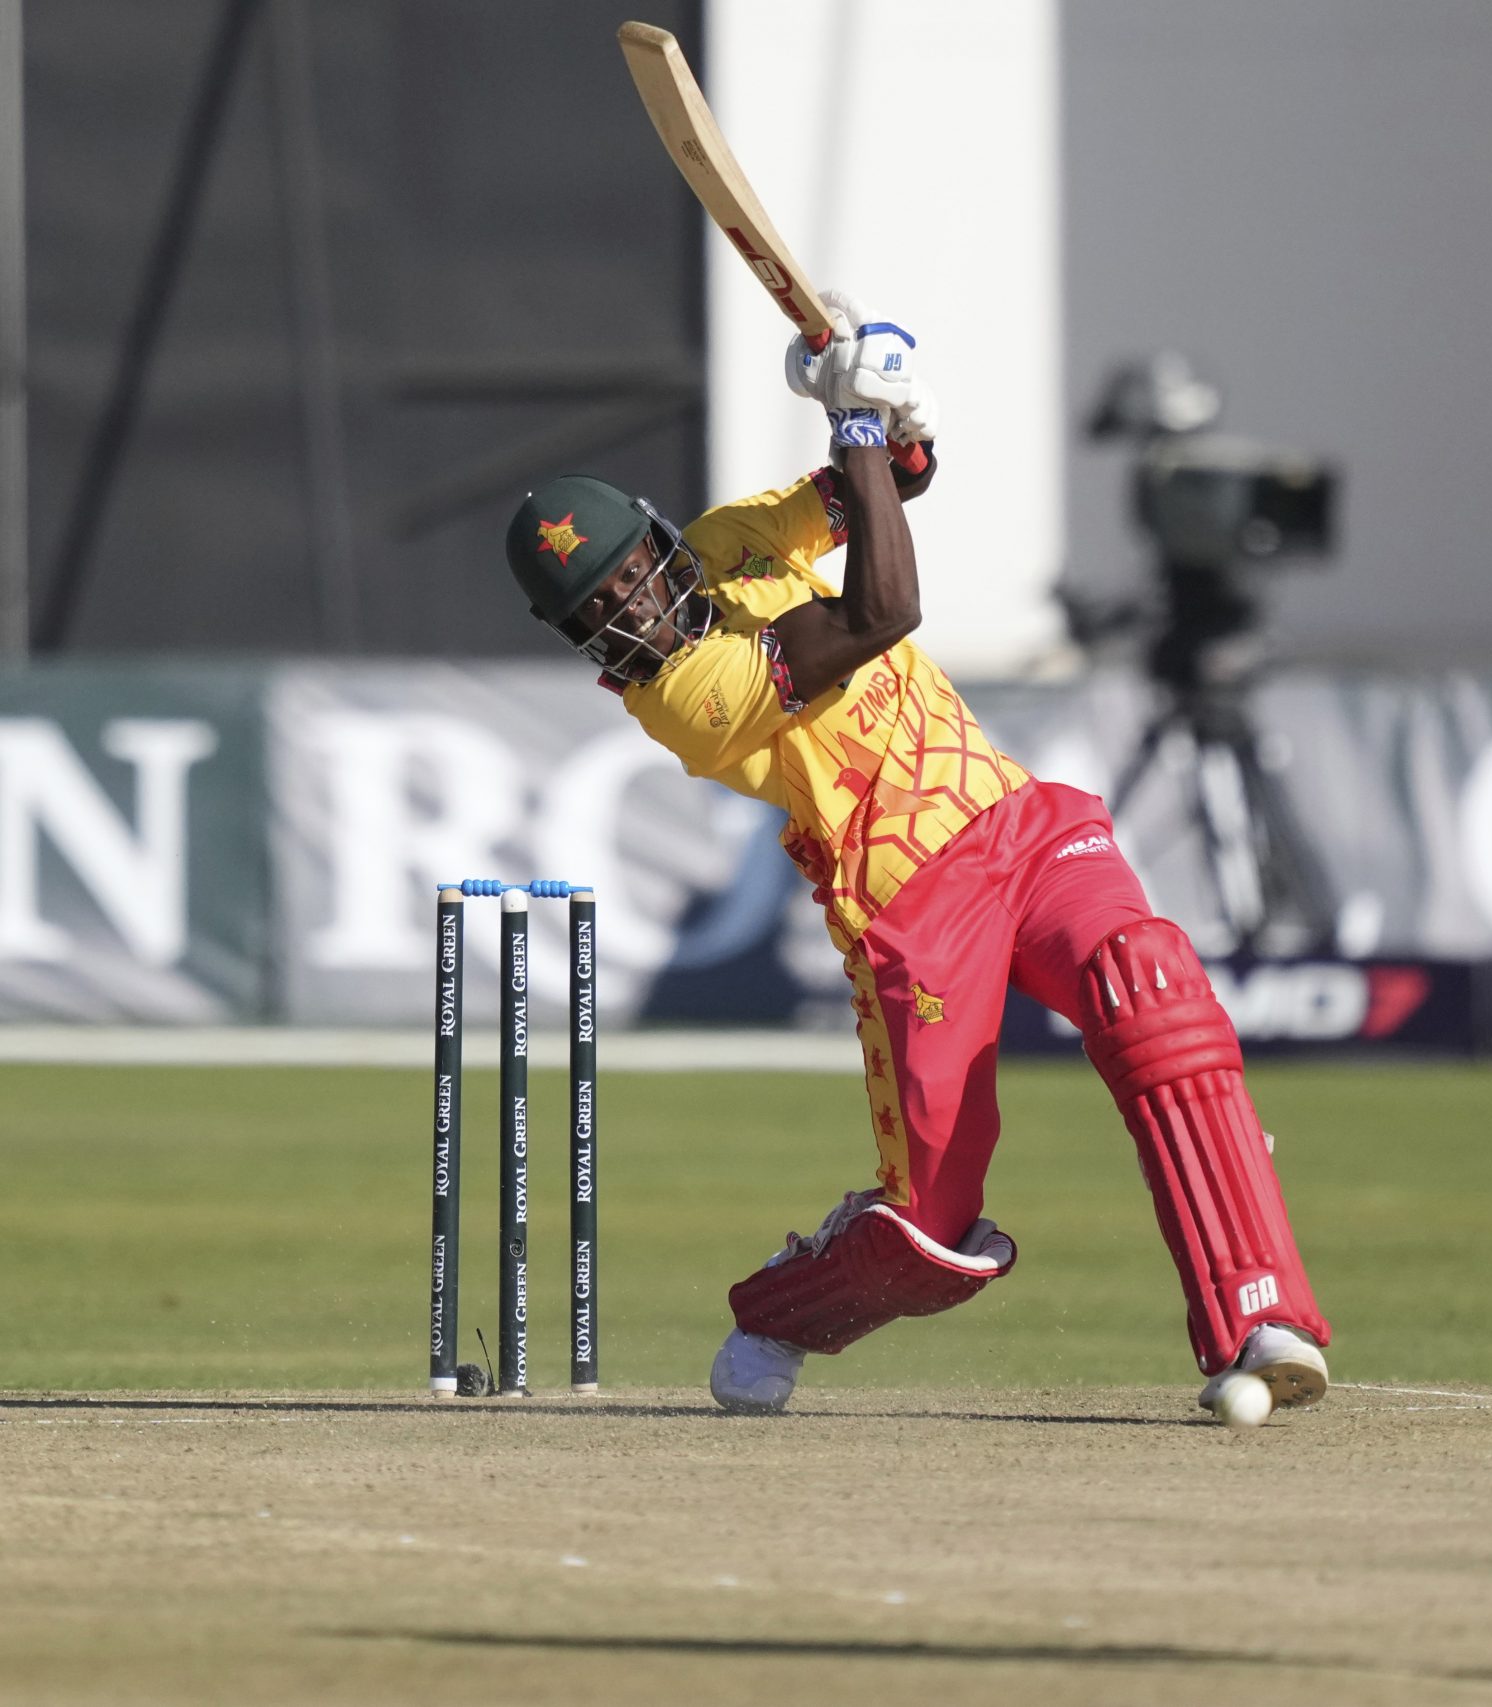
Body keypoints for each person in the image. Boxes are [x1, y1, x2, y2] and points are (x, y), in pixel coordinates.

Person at [500, 293, 1330, 1418]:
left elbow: (884, 489)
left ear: (657, 540)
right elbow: (883, 607)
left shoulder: (730, 540)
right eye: (600, 613)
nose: (634, 613)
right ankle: (782, 1312)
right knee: (932, 1233)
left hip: (1022, 830)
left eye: (632, 577)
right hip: (911, 913)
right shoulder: (681, 698)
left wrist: (890, 410)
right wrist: (851, 428)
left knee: (1155, 997)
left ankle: (1259, 1316)